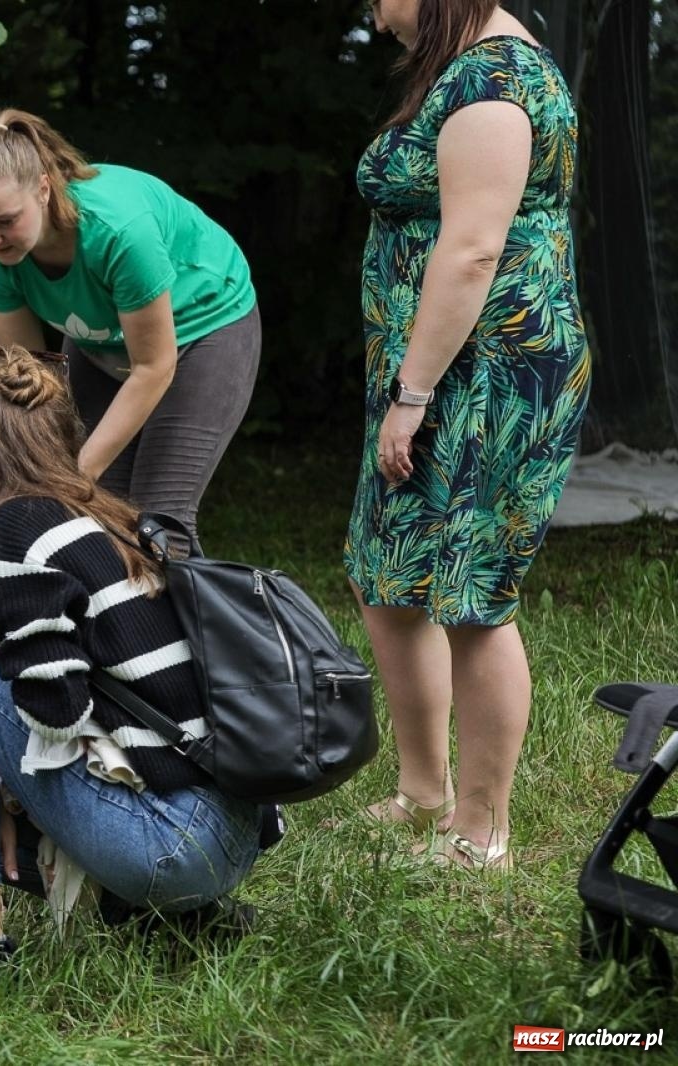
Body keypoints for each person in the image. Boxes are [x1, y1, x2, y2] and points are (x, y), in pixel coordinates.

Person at [0, 345, 260, 967]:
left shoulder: (15, 530)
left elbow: (59, 712)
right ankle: (171, 920)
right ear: (68, 438)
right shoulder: (101, 514)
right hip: (228, 828)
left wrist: (9, 790)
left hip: (171, 839)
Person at [344, 0, 589, 871]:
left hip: (489, 376)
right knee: (386, 575)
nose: (374, 13)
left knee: (470, 594)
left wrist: (412, 393)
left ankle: (482, 831)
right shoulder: (461, 71)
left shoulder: (498, 83)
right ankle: (423, 791)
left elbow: (474, 250)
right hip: (430, 372)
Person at [0, 109, 262, 539]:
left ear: (43, 189)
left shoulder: (120, 232)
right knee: (99, 509)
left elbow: (152, 367)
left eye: (6, 222)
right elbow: (30, 373)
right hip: (98, 337)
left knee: (158, 517)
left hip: (204, 325)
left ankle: (186, 586)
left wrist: (74, 477)